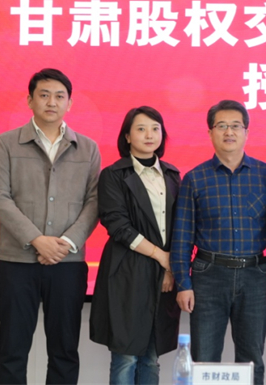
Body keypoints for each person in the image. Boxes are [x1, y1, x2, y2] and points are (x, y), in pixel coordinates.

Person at [0, 68, 100, 385]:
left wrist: (66, 243)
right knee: (13, 350)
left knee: (64, 352)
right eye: (44, 95)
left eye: (59, 96)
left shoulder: (88, 148)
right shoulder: (6, 143)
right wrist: (37, 239)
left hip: (68, 263)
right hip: (16, 262)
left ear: (70, 103)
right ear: (30, 100)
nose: (52, 102)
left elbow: (94, 202)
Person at [169, 100, 266, 385]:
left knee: (252, 359)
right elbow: (182, 237)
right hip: (209, 276)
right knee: (204, 358)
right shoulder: (195, 179)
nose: (229, 132)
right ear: (210, 133)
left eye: (236, 126)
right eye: (221, 126)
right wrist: (183, 284)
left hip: (254, 275)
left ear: (246, 132)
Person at [90, 106, 182, 384]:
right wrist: (160, 256)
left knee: (152, 356)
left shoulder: (172, 174)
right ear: (127, 136)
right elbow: (117, 225)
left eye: (155, 129)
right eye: (141, 129)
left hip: (162, 272)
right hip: (126, 271)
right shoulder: (113, 175)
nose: (149, 135)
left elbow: (180, 227)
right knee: (126, 356)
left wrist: (169, 268)